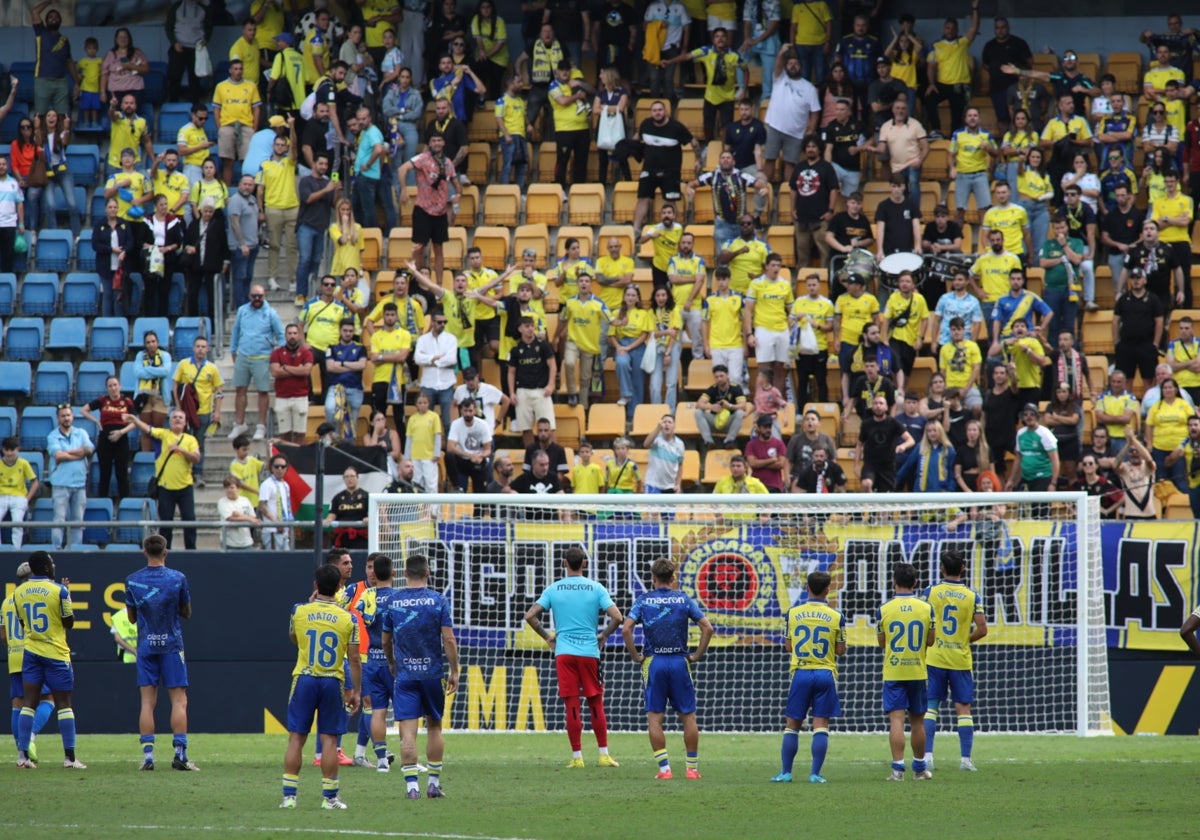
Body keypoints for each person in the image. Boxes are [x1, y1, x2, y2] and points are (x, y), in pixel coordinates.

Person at [525, 547, 623, 768]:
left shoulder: (554, 589)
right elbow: (617, 616)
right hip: (589, 651)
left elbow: (530, 616)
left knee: (572, 704)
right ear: (584, 564)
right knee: (595, 701)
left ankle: (577, 757)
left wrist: (548, 637)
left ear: (564, 563)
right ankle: (603, 754)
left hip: (564, 653)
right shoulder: (596, 588)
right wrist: (604, 635)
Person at [622, 557, 714, 780]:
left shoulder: (644, 601)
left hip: (654, 662)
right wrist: (695, 656)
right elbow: (708, 628)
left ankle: (664, 770)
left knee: (655, 717)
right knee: (688, 716)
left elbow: (626, 629)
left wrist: (636, 655)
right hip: (680, 662)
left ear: (653, 579)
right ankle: (692, 769)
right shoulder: (683, 600)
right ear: (673, 579)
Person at [281, 563, 361, 810]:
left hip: (304, 678)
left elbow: (295, 638)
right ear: (339, 587)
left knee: (296, 738)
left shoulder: (299, 611)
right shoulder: (349, 618)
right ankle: (330, 798)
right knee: (329, 740)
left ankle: (289, 797)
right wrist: (356, 690)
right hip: (332, 680)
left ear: (315, 586)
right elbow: (355, 658)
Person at [124, 534, 196, 771]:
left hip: (146, 646)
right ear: (166, 552)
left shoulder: (133, 580)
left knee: (147, 702)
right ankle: (180, 754)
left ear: (145, 552)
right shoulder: (178, 578)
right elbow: (186, 612)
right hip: (172, 645)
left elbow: (131, 617)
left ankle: (147, 757)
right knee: (178, 700)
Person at [770, 569, 844, 784]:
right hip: (825, 673)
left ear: (807, 588)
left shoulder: (793, 613)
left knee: (792, 724)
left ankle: (786, 772)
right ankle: (815, 774)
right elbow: (840, 650)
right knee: (820, 725)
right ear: (828, 590)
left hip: (801, 673)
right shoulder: (836, 616)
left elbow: (788, 646)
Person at [12, 551, 84, 769]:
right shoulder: (59, 591)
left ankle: (23, 756)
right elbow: (69, 623)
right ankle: (70, 758)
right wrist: (68, 598)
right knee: (63, 703)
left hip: (32, 652)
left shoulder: (19, 592)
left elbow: (23, 624)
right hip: (56, 653)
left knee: (28, 703)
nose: (53, 565)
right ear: (44, 567)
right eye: (51, 563)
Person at [920, 547, 986, 773]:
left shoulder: (930, 592)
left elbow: (921, 619)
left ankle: (927, 756)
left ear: (942, 568)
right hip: (960, 659)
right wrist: (965, 640)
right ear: (963, 568)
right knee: (964, 709)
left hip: (935, 657)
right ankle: (965, 760)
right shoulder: (972, 595)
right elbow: (982, 628)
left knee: (930, 708)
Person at [876, 562, 936, 781]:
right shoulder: (926, 608)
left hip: (894, 672)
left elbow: (882, 643)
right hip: (917, 671)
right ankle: (920, 769)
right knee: (918, 721)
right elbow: (930, 640)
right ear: (915, 583)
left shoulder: (884, 609)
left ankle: (898, 769)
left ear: (894, 581)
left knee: (897, 721)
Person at [124, 409, 200, 550]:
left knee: (190, 522)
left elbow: (196, 458)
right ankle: (165, 553)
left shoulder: (191, 440)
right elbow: (148, 429)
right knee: (165, 525)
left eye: (180, 418)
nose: (177, 419)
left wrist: (180, 449)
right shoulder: (164, 435)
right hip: (165, 488)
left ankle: (191, 552)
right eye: (174, 417)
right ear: (170, 422)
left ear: (185, 423)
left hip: (185, 488)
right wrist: (136, 420)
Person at [399, 131, 459, 285]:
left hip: (440, 211)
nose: (437, 143)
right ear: (429, 143)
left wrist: (458, 194)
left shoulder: (448, 163)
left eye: (439, 140)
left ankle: (438, 285)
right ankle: (418, 283)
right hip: (423, 209)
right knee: (419, 247)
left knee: (438, 249)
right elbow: (402, 169)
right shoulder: (422, 158)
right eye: (434, 140)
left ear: (443, 143)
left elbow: (455, 183)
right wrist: (404, 189)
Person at [227, 283, 284, 442]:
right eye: (254, 296)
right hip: (243, 355)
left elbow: (281, 335)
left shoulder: (271, 313)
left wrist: (277, 355)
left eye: (260, 296)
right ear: (249, 296)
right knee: (240, 390)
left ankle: (261, 425)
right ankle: (239, 423)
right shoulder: (242, 311)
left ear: (264, 296)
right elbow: (236, 331)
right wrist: (233, 350)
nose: (257, 299)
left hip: (263, 357)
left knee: (263, 391)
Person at [633, 105, 699, 235]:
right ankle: (635, 230)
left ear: (665, 112)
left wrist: (698, 160)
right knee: (643, 198)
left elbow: (694, 142)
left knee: (671, 201)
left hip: (670, 172)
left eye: (660, 110)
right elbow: (636, 139)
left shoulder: (676, 127)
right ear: (651, 112)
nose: (657, 113)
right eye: (654, 111)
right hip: (648, 170)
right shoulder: (645, 124)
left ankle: (673, 230)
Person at [763, 47, 821, 186]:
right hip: (774, 127)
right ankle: (764, 190)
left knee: (790, 163)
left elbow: (815, 112)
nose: (793, 66)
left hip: (796, 133)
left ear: (801, 67)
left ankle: (786, 193)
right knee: (770, 159)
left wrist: (811, 130)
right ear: (785, 66)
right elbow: (778, 64)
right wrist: (782, 52)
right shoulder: (779, 78)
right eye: (790, 64)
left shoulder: (809, 88)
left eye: (796, 64)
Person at [257, 119, 300, 295]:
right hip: (272, 208)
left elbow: (295, 150)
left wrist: (293, 128)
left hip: (292, 208)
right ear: (273, 146)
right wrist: (261, 211)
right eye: (278, 144)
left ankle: (292, 279)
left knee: (292, 246)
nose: (281, 147)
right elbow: (260, 191)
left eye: (284, 145)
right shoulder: (264, 165)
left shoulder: (290, 163)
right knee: (274, 245)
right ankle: (272, 278)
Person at [173, 336, 223, 486]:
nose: (200, 349)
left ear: (207, 349)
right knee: (185, 442)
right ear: (193, 348)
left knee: (199, 444)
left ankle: (198, 474)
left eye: (203, 346)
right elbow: (175, 385)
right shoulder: (183, 364)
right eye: (198, 346)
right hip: (187, 411)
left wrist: (217, 411)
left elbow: (219, 390)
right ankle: (185, 473)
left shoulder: (212, 368)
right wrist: (178, 407)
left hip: (204, 411)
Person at [744, 252, 794, 394]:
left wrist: (792, 327)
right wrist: (749, 334)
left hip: (782, 330)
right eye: (773, 265)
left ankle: (776, 402)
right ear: (766, 267)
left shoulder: (785, 284)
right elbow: (748, 310)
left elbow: (792, 310)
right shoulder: (756, 284)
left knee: (780, 368)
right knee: (764, 369)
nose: (776, 268)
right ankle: (761, 401)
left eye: (778, 265)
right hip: (763, 329)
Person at [81, 376, 136, 500]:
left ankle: (124, 503)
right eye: (110, 386)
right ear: (107, 388)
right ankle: (103, 501)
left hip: (121, 439)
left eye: (115, 385)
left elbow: (135, 422)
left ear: (120, 386)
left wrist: (121, 432)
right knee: (104, 473)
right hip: (105, 440)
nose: (113, 388)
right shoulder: (102, 400)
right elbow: (83, 410)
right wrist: (96, 421)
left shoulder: (127, 401)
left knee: (121, 473)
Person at [46, 404, 93, 550]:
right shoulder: (53, 436)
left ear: (72, 416)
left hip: (79, 484)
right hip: (60, 484)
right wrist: (79, 453)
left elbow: (89, 450)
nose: (66, 418)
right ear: (58, 418)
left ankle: (75, 549)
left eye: (68, 415)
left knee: (78, 521)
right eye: (63, 415)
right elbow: (58, 456)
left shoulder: (81, 433)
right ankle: (57, 549)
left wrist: (67, 454)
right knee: (59, 520)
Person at [213, 59, 262, 186]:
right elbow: (216, 109)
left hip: (246, 126)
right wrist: (220, 128)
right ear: (230, 70)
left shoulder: (251, 86)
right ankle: (227, 191)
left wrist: (254, 128)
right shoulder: (221, 86)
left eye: (240, 69)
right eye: (235, 69)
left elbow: (256, 108)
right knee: (227, 161)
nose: (238, 71)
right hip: (227, 126)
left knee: (247, 162)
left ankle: (247, 189)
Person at [1113, 268, 1165, 383]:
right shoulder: (1123, 299)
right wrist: (1117, 342)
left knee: (1149, 379)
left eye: (1139, 278)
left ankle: (1148, 401)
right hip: (1126, 345)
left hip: (1146, 345)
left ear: (1145, 280)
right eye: (1133, 278)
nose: (1136, 281)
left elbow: (1159, 322)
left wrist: (1155, 343)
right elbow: (1115, 321)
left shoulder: (1153, 299)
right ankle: (1128, 401)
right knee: (1125, 380)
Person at [857, 393, 915, 493]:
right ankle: (872, 506)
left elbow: (911, 440)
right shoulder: (866, 424)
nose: (878, 406)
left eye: (881, 403)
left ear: (886, 407)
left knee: (886, 500)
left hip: (888, 466)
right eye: (875, 403)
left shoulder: (893, 422)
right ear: (872, 406)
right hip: (870, 464)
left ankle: (879, 507)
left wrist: (903, 446)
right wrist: (856, 465)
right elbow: (859, 444)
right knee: (866, 484)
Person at [694, 364, 746, 450]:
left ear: (727, 375)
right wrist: (711, 407)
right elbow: (698, 404)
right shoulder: (712, 389)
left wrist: (729, 406)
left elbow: (744, 406)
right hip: (715, 421)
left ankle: (729, 441)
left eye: (721, 376)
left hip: (730, 422)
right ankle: (708, 441)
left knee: (740, 413)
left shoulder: (735, 388)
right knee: (698, 412)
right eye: (716, 377)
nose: (719, 379)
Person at [0, 441, 38, 549]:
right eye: (7, 450)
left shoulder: (23, 463)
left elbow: (35, 482)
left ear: (17, 450)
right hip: (1, 497)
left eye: (12, 450)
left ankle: (16, 549)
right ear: (3, 450)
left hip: (19, 497)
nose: (9, 453)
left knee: (17, 523)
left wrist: (27, 499)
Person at [1117, 431, 1159, 520]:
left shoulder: (1148, 466)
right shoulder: (1124, 467)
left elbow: (1149, 459)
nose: (1134, 453)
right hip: (1130, 515)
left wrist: (1133, 440)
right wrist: (1128, 444)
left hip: (1150, 514)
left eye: (1137, 450)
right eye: (1131, 451)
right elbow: (1115, 464)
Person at [644, 414, 685, 494]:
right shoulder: (656, 439)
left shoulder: (680, 444)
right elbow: (646, 444)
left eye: (670, 422)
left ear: (674, 426)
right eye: (664, 422)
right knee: (654, 507)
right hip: (653, 484)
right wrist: (657, 428)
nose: (667, 424)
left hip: (670, 486)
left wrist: (678, 484)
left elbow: (680, 465)